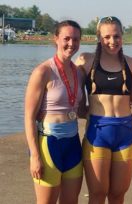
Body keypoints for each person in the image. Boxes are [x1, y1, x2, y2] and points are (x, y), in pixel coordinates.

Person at [75, 16, 132, 204]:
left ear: (123, 36)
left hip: (125, 134)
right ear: (99, 37)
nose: (112, 41)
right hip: (97, 134)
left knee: (117, 194)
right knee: (97, 194)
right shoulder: (86, 62)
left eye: (116, 36)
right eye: (106, 37)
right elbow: (73, 94)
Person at [24, 20, 84, 204]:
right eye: (66, 38)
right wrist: (34, 156)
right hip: (49, 143)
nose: (71, 44)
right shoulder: (43, 72)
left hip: (73, 143)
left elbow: (81, 109)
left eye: (75, 39)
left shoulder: (78, 72)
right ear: (56, 39)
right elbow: (29, 117)